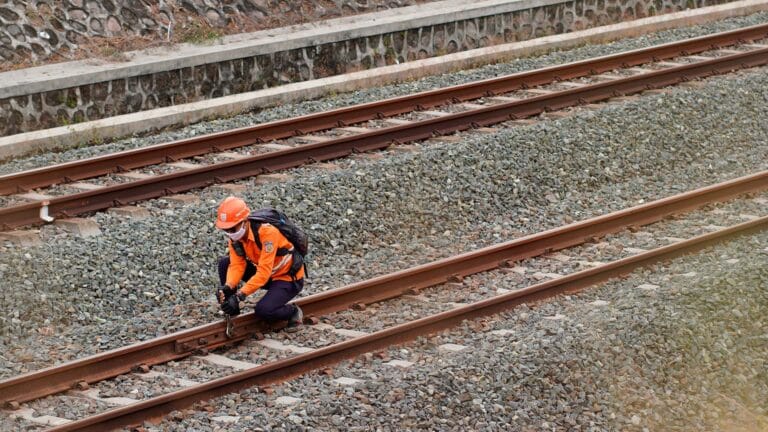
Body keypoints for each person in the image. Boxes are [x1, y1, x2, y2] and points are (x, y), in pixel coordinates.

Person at [214, 196, 305, 332]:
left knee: (264, 310)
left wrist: (240, 295)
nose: (230, 233)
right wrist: (228, 286)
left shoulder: (267, 233)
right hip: (269, 276)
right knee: (224, 263)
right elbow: (236, 265)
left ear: (244, 221)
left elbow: (264, 272)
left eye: (232, 229)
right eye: (226, 230)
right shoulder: (236, 238)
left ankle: (293, 312)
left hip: (287, 278)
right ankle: (232, 311)